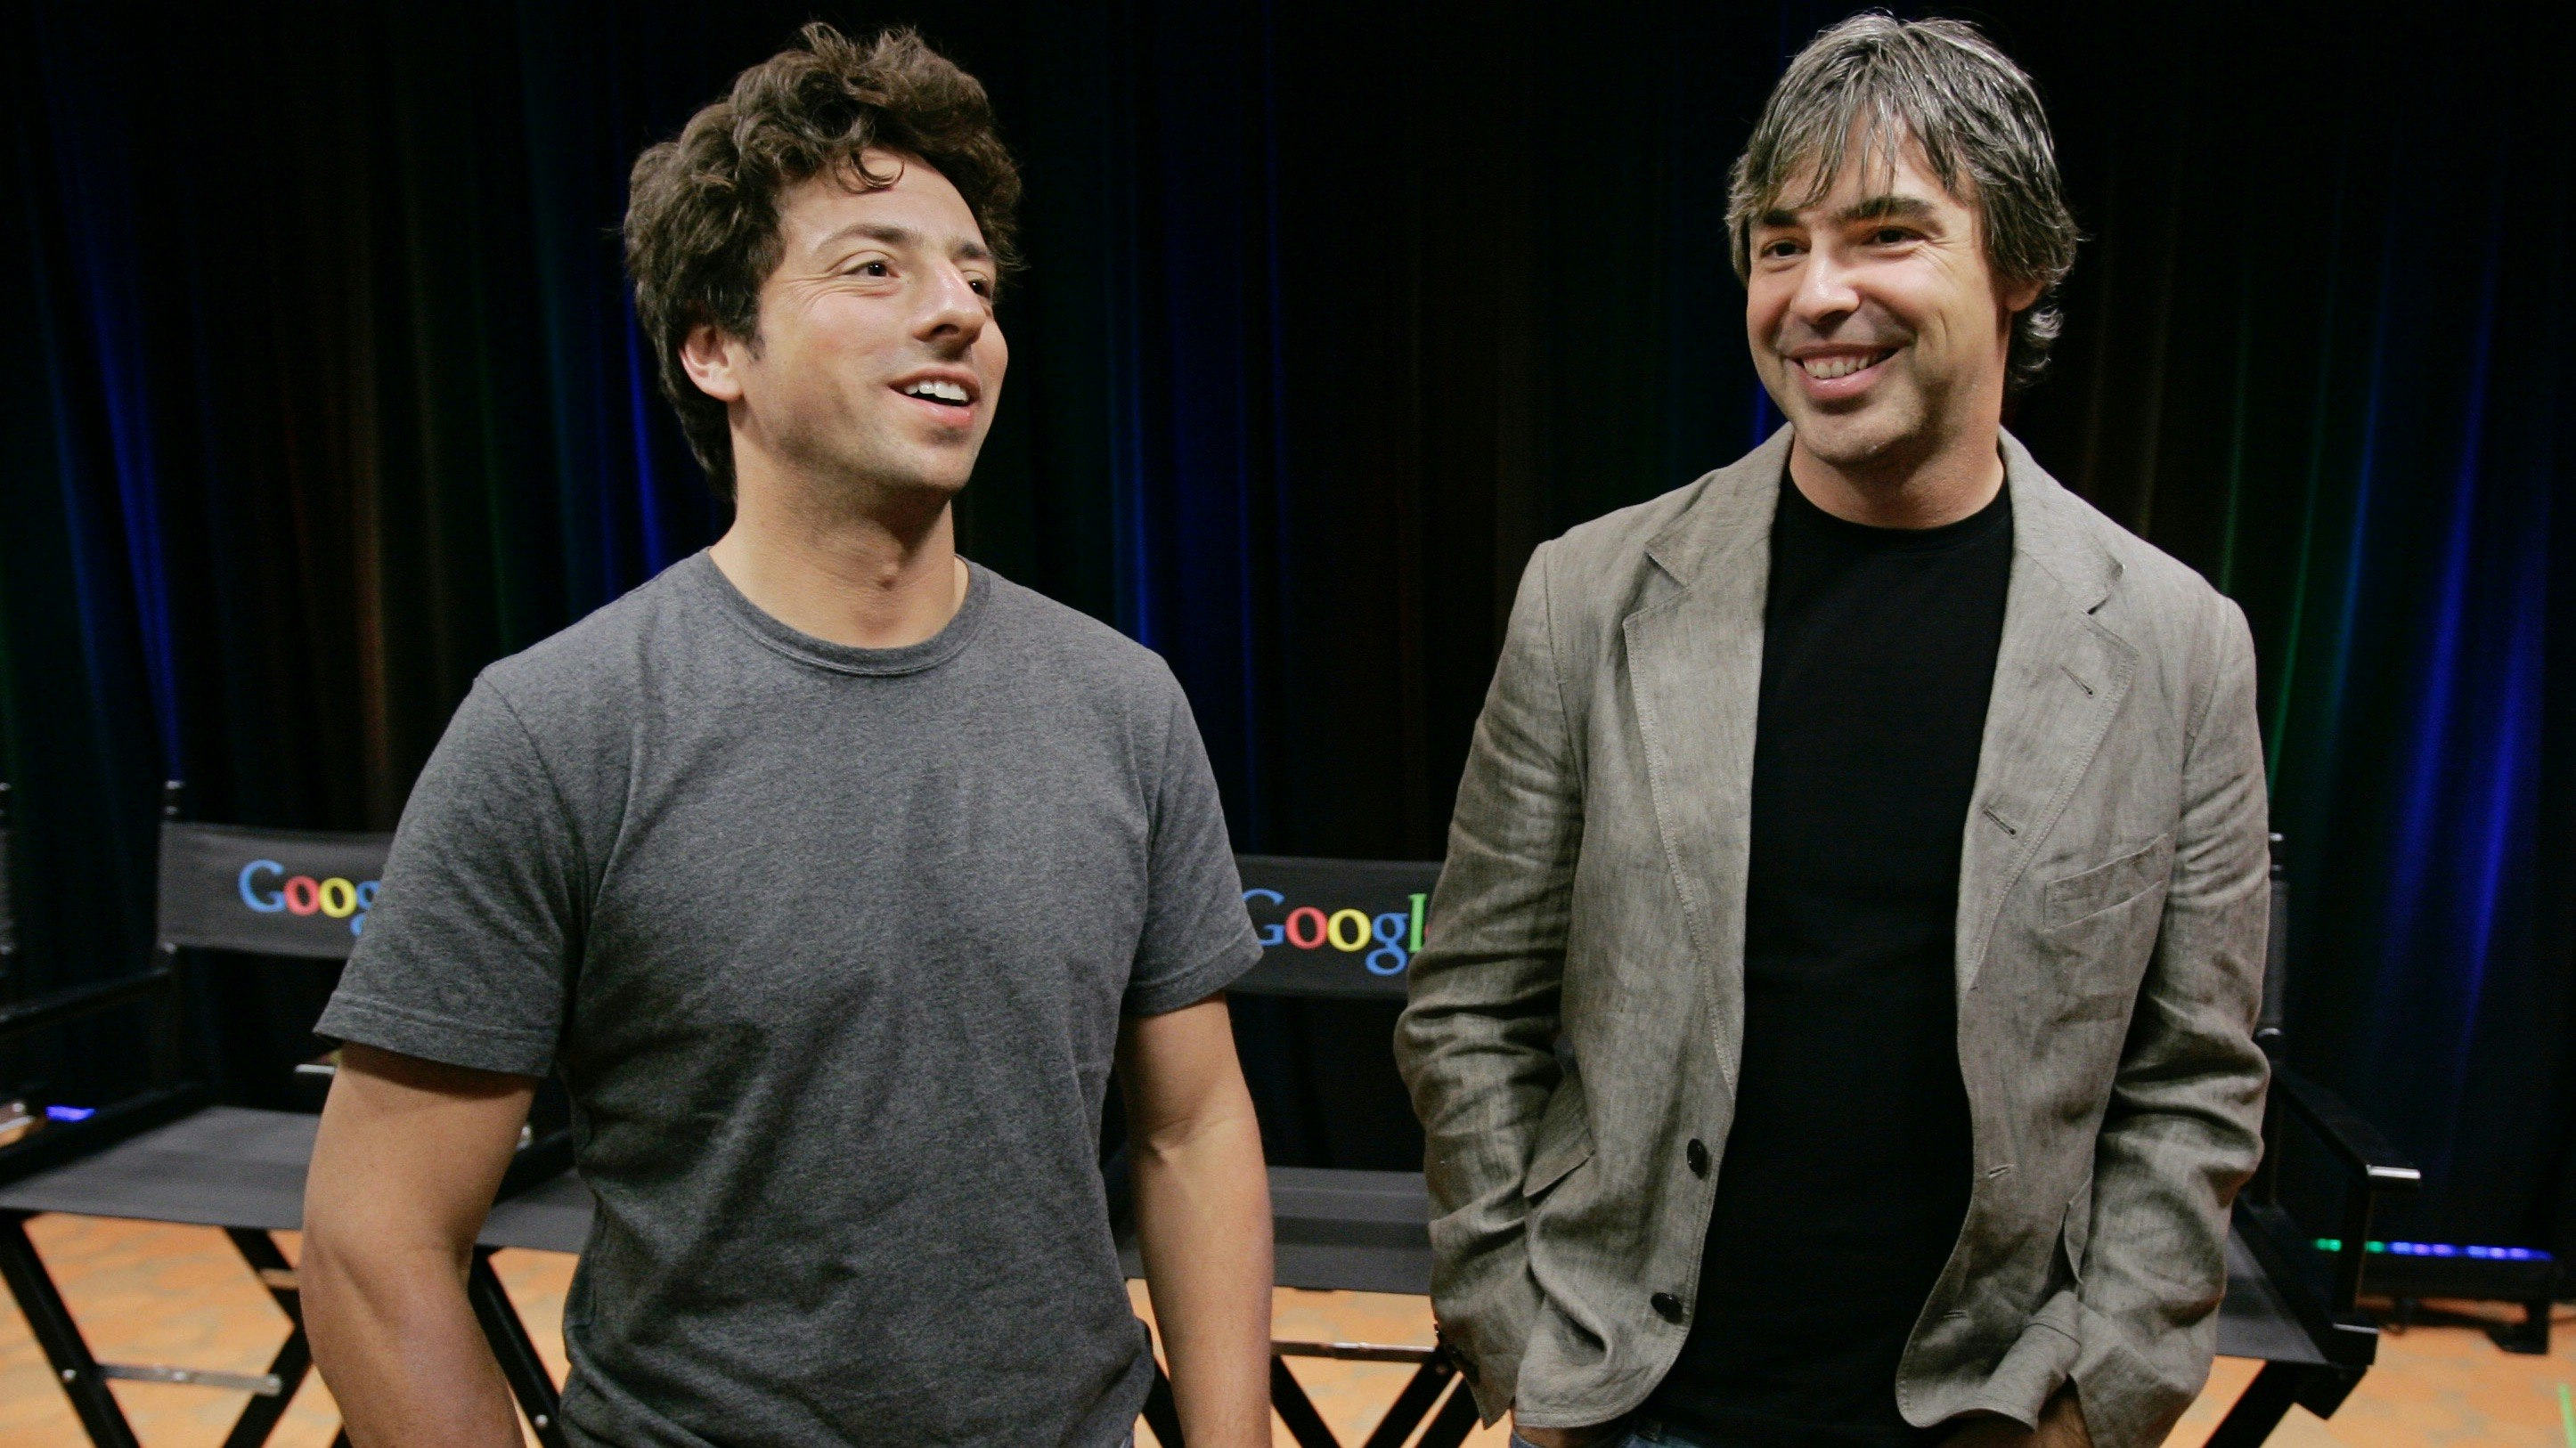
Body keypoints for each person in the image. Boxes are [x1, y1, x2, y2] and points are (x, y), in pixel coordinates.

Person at [300, 27, 1273, 1448]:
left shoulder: (1124, 704)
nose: (957, 312)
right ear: (715, 346)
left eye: (976, 278)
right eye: (875, 266)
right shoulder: (560, 726)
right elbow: (371, 1243)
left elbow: (1196, 1130)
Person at [1395, 14, 2269, 1448]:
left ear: (2024, 265)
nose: (1817, 294)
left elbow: (2194, 1084)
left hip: (1986, 1409)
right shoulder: (1590, 594)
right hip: (1633, 1402)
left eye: (1885, 235)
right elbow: (1470, 1005)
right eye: (1782, 241)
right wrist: (1521, 1343)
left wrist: (2097, 1403)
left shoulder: (2177, 647)